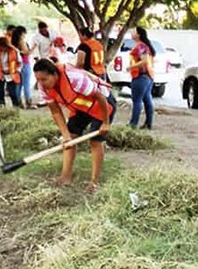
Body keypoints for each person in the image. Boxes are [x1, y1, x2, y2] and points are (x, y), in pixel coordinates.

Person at [33, 58, 117, 193]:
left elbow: (100, 97)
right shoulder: (44, 88)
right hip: (80, 106)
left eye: (44, 79)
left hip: (102, 105)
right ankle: (65, 177)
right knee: (71, 137)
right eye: (38, 80)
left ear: (54, 75)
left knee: (95, 141)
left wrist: (106, 123)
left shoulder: (74, 79)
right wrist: (65, 135)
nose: (41, 83)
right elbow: (55, 112)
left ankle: (94, 183)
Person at [128, 26, 155, 130]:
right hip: (148, 76)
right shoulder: (145, 46)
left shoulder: (141, 46)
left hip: (140, 76)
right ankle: (148, 123)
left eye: (134, 31)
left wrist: (130, 67)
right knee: (147, 100)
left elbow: (144, 61)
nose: (132, 33)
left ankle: (133, 124)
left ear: (138, 34)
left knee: (137, 101)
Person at [11, 26, 36, 108]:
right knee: (26, 84)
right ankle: (28, 102)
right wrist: (34, 47)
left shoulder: (14, 42)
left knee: (19, 84)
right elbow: (26, 53)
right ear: (22, 33)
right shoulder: (22, 42)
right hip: (25, 64)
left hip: (18, 65)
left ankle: (18, 103)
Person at [0, 37, 22, 108]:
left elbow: (20, 63)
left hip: (11, 75)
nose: (3, 49)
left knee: (13, 93)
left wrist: (17, 71)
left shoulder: (15, 51)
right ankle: (2, 107)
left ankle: (16, 108)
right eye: (2, 47)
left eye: (5, 47)